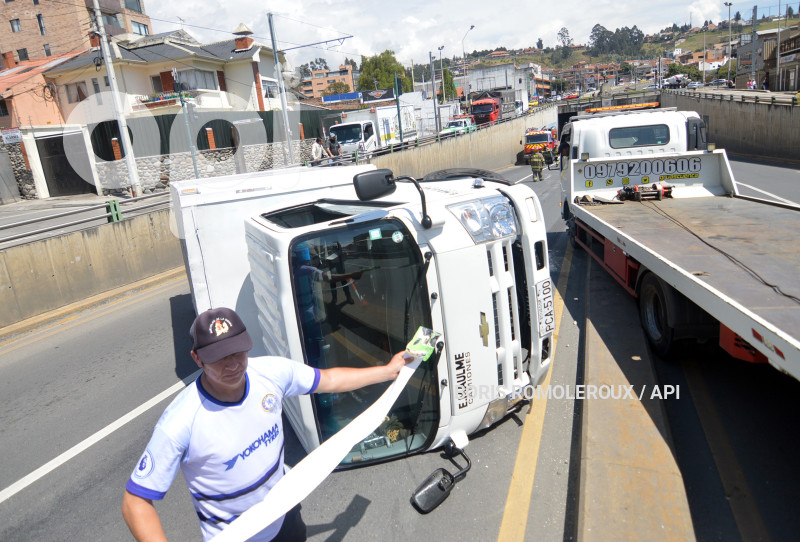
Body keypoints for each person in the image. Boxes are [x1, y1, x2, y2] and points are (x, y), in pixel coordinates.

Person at [121, 306, 410, 542]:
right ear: (197, 358)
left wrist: (387, 371)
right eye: (218, 358)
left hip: (284, 514)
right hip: (237, 536)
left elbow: (329, 380)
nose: (232, 364)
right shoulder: (180, 422)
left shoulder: (271, 373)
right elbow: (135, 502)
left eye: (237, 351)